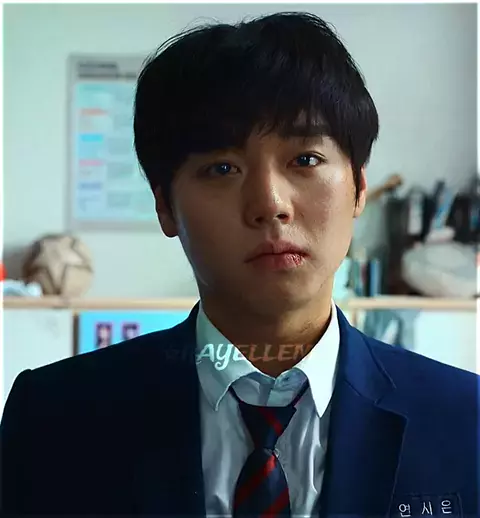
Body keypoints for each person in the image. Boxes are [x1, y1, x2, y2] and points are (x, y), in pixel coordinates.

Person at [1, 12, 478, 518]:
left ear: (359, 187)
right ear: (165, 206)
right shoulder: (54, 417)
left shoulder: (464, 420)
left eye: (306, 160)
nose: (270, 204)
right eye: (222, 168)